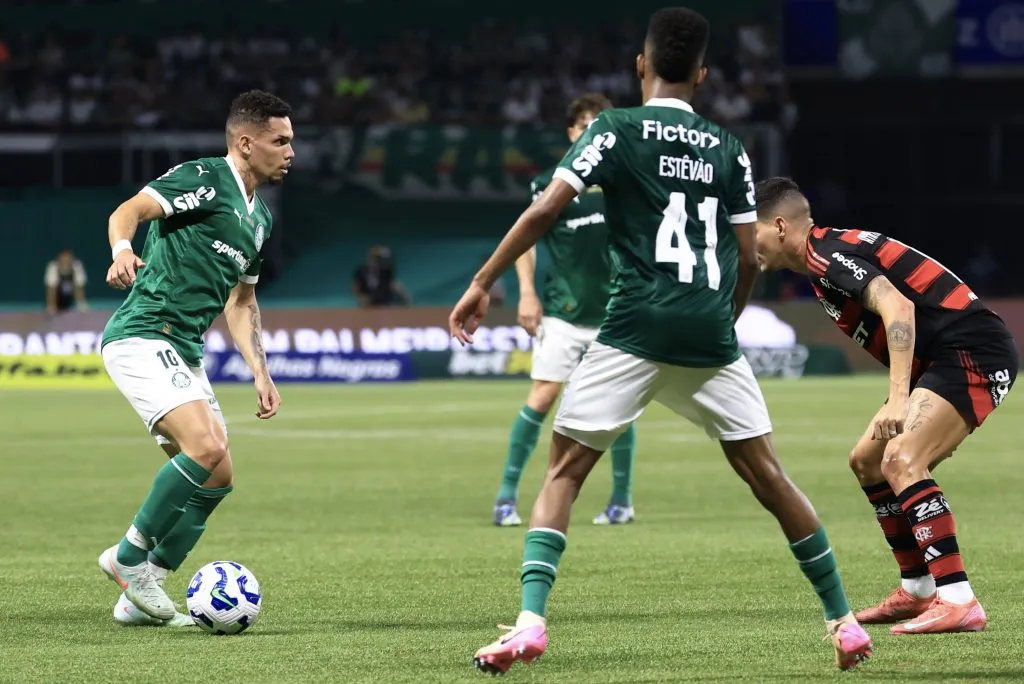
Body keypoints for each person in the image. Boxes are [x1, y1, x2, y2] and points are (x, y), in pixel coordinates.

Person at [449, 7, 872, 674]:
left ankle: (530, 623)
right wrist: (720, 325)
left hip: (634, 323)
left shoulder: (614, 130)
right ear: (703, 75)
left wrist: (483, 283)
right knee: (768, 475)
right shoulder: (730, 150)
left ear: (641, 66)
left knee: (564, 470)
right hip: (707, 329)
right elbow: (749, 257)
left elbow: (545, 209)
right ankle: (844, 621)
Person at [753, 176, 1017, 634]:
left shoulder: (826, 257)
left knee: (901, 459)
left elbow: (899, 308)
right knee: (867, 461)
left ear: (778, 226)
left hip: (972, 351)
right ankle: (917, 589)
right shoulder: (826, 257)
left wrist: (898, 399)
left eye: (749, 228)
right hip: (943, 358)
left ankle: (958, 598)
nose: (744, 240)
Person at [98, 90, 293, 626]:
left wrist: (261, 372)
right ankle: (128, 558)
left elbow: (242, 300)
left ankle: (141, 595)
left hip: (184, 348)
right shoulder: (205, 177)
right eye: (280, 140)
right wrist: (122, 250)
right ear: (246, 143)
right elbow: (129, 210)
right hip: (143, 332)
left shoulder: (260, 221)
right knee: (205, 446)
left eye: (291, 140)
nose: (290, 150)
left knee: (219, 476)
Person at [494, 92, 638, 528]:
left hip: (616, 312)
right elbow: (526, 240)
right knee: (542, 396)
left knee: (620, 406)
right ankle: (505, 498)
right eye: (582, 125)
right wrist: (526, 293)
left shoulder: (626, 183)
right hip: (562, 312)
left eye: (599, 123)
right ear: (571, 132)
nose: (589, 130)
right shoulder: (550, 184)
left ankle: (621, 501)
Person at [44, 248, 88, 314]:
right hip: (58, 300)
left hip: (70, 300)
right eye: (64, 260)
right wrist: (52, 306)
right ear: (59, 259)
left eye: (68, 260)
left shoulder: (76, 267)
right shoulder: (53, 267)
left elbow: (80, 286)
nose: (66, 262)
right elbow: (51, 289)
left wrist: (81, 305)